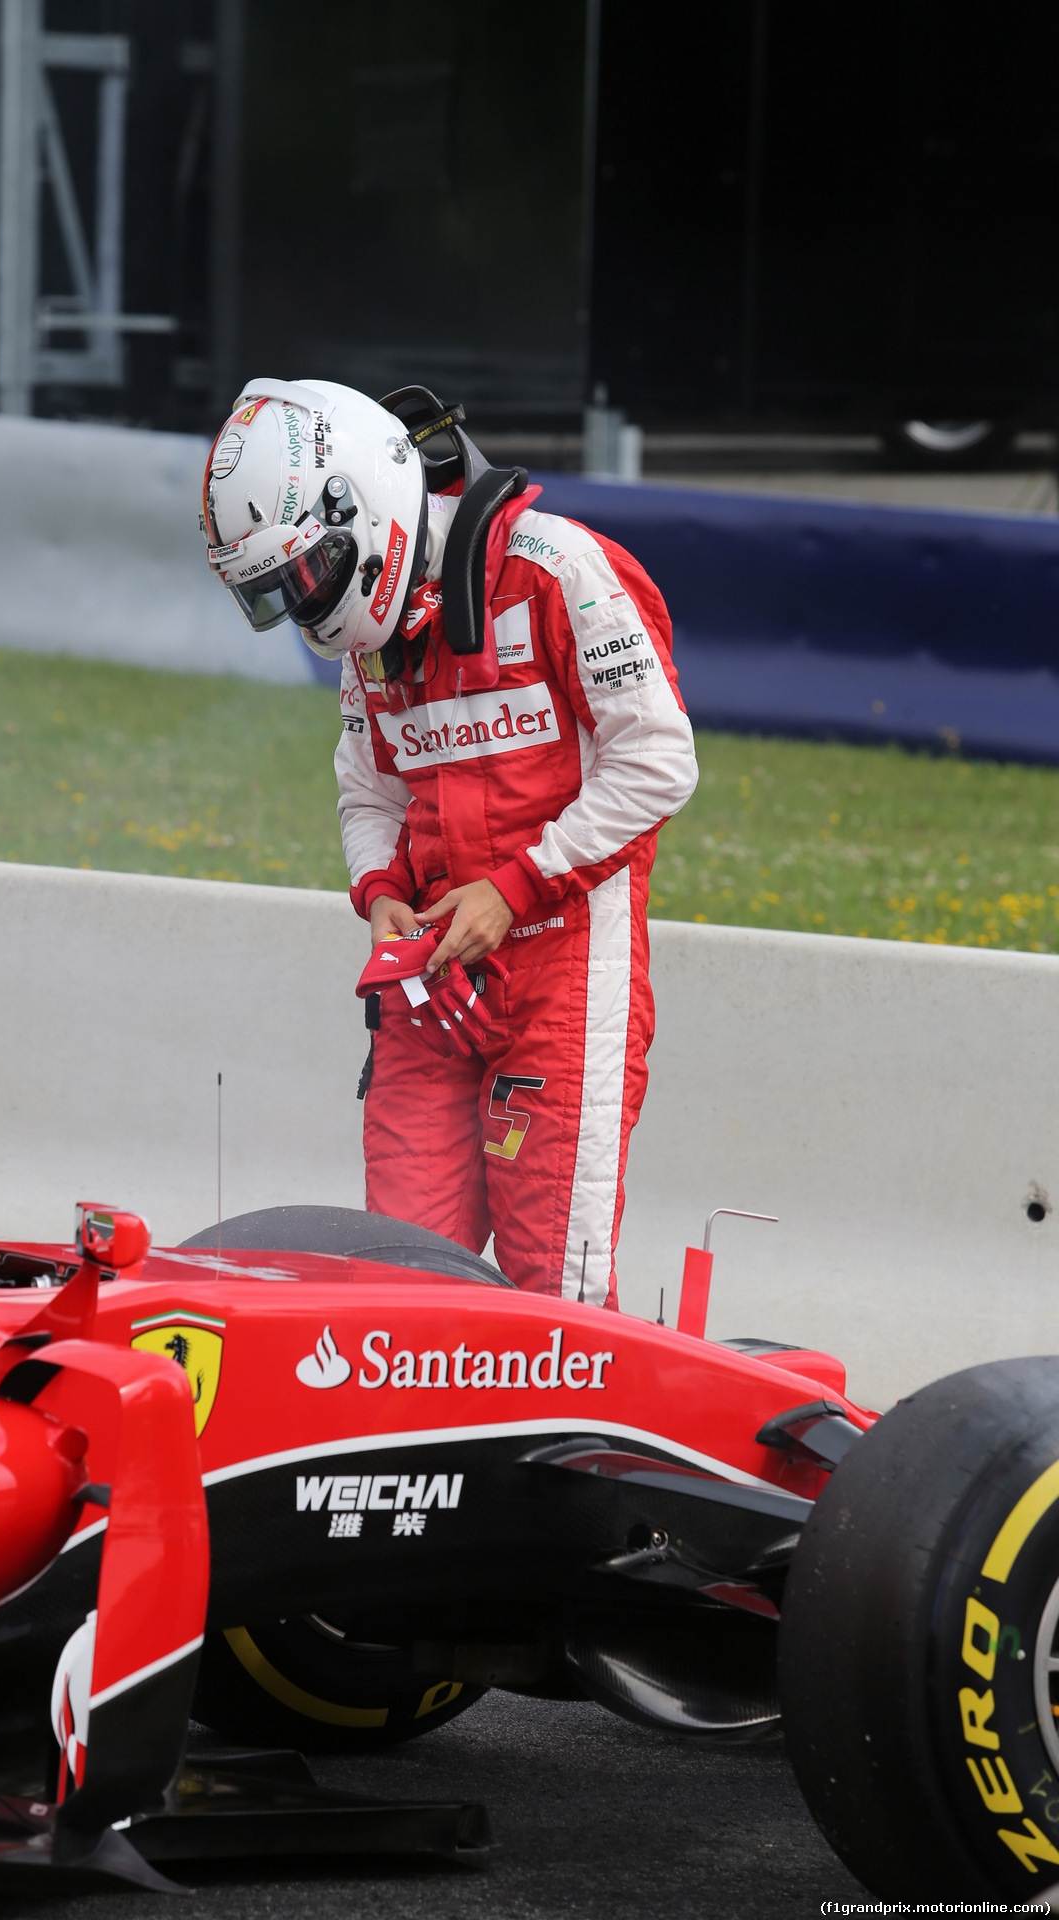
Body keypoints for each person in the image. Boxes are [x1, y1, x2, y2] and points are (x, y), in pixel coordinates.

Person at [202, 378, 697, 1307]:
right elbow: (368, 789)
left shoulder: (562, 569)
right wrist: (378, 889)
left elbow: (661, 761)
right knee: (395, 1271)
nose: (305, 605)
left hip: (565, 971)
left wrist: (515, 887)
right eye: (275, 593)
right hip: (429, 976)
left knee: (556, 1281)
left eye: (306, 574)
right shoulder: (369, 639)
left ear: (364, 506)